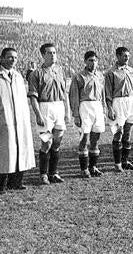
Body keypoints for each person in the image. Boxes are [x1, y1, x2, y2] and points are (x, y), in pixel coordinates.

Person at [28, 43, 71, 185]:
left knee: (57, 142)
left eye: (54, 52)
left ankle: (53, 173)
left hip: (59, 107)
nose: (53, 55)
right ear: (43, 55)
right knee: (47, 142)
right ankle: (43, 174)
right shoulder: (36, 74)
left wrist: (68, 111)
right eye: (49, 53)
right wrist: (38, 114)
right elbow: (33, 97)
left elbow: (64, 93)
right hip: (44, 108)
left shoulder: (60, 71)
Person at [0, 48, 35, 194]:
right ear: (1, 58)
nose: (13, 60)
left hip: (19, 119)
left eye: (15, 57)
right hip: (4, 118)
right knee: (4, 151)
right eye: (9, 57)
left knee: (20, 149)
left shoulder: (18, 76)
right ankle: (1, 184)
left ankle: (16, 182)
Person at [69, 50, 106, 178]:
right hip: (84, 107)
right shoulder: (79, 76)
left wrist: (104, 110)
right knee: (84, 139)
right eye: (90, 60)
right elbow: (74, 96)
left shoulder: (100, 76)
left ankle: (93, 167)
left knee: (95, 139)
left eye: (95, 60)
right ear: (85, 61)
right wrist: (76, 115)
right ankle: (84, 169)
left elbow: (103, 95)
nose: (93, 63)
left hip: (97, 106)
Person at [105, 47, 133, 172]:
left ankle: (125, 161)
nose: (127, 58)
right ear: (118, 56)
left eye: (128, 56)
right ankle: (117, 163)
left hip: (130, 102)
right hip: (118, 102)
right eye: (124, 56)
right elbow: (108, 93)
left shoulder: (131, 70)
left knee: (128, 134)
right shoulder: (111, 72)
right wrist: (110, 109)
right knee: (118, 134)